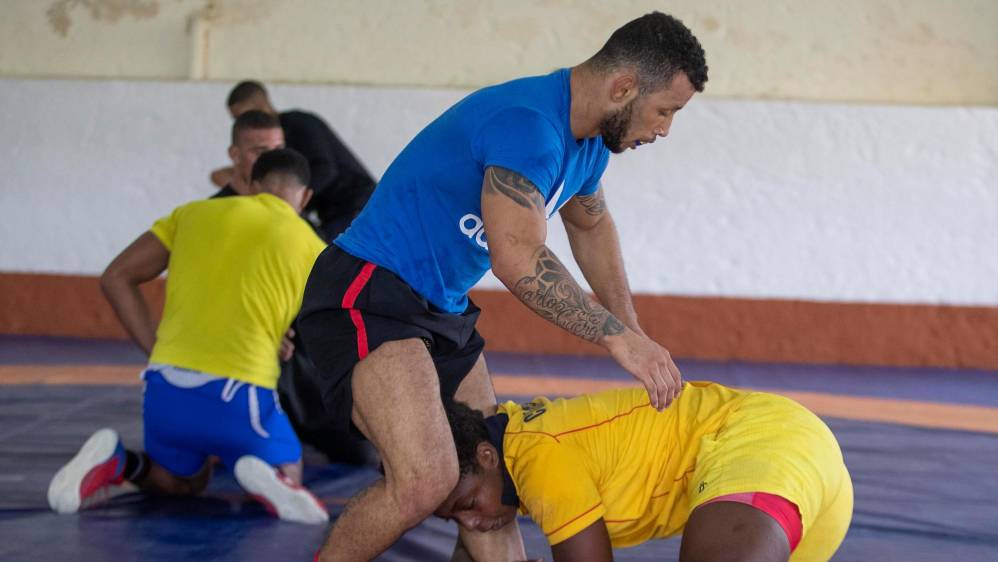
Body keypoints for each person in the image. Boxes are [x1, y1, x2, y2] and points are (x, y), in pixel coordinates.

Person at [296, 11, 708, 561]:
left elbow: (590, 224)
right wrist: (615, 339)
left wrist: (630, 327)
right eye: (665, 111)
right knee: (426, 478)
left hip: (440, 307)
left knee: (491, 468)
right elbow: (517, 259)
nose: (663, 130)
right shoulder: (530, 126)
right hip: (371, 291)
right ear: (623, 87)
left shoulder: (584, 142)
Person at [47, 149, 329, 524]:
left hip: (165, 388)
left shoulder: (192, 214)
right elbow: (332, 322)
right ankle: (273, 473)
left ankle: (119, 461)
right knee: (292, 467)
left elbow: (116, 276)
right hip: (239, 394)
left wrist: (156, 348)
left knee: (183, 481)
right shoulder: (311, 244)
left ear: (250, 185)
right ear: (305, 196)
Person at [436, 383, 854, 562]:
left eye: (468, 504)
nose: (472, 523)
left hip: (767, 444)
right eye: (455, 518)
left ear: (488, 456)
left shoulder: (535, 457)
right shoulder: (518, 438)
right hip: (807, 499)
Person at [213, 110, 376, 466]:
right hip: (241, 355)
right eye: (259, 150)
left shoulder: (297, 219)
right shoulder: (214, 216)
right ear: (234, 156)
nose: (272, 159)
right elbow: (206, 292)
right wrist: (262, 328)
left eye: (278, 147)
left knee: (361, 453)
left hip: (299, 357)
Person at [211, 80, 376, 242]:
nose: (239, 122)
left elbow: (326, 170)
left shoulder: (300, 123)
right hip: (330, 211)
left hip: (354, 204)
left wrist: (288, 199)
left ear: (262, 107)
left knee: (326, 257)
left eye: (242, 116)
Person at [211, 109, 285, 198]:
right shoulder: (214, 210)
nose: (273, 160)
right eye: (261, 152)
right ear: (235, 154)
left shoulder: (289, 207)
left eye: (278, 150)